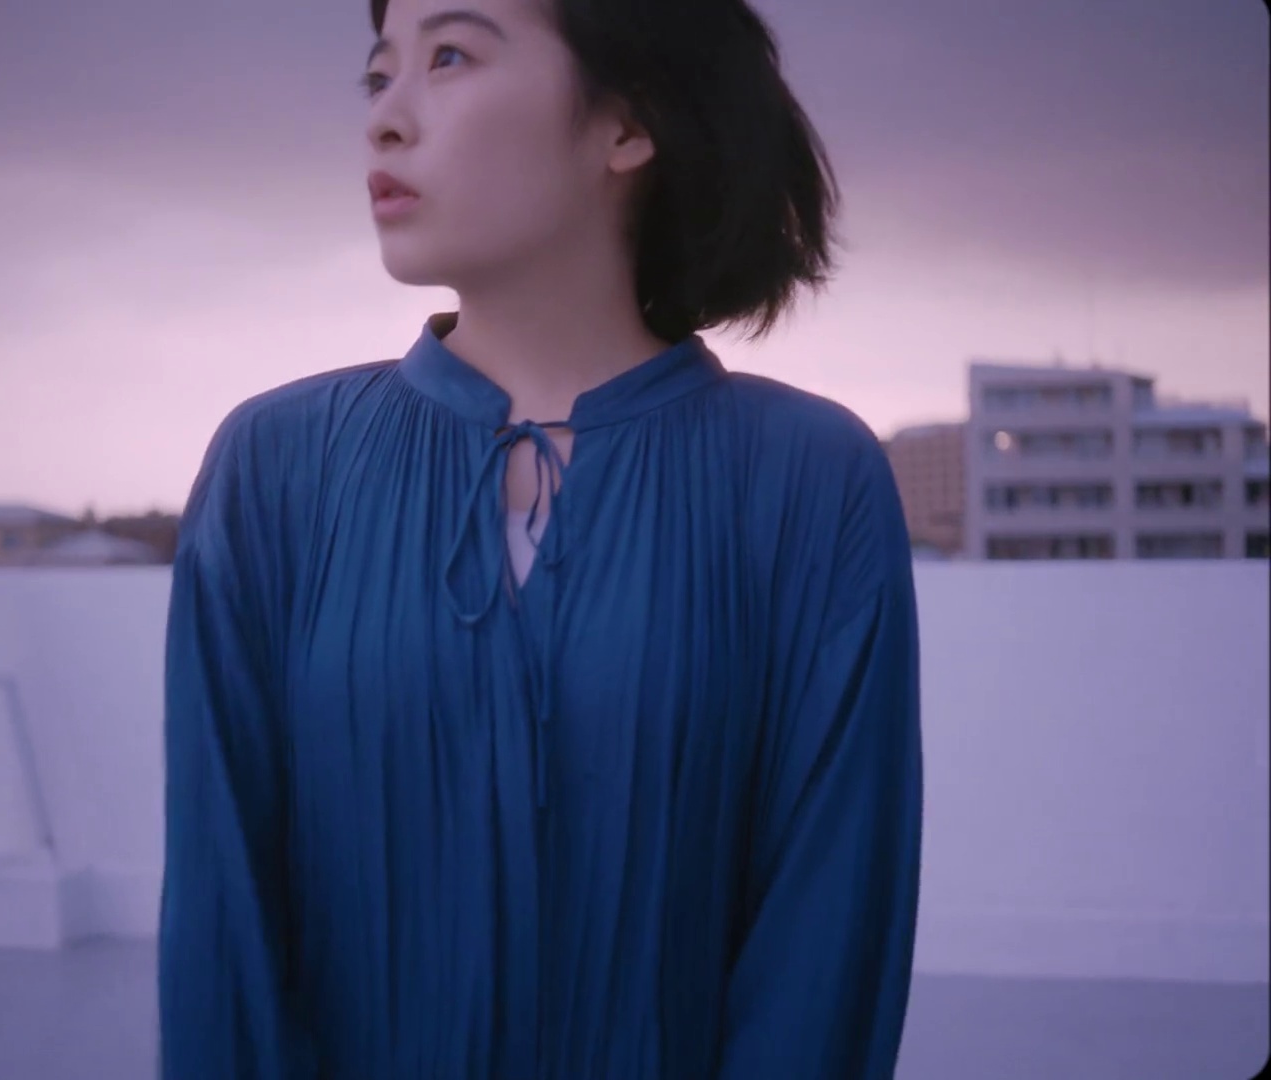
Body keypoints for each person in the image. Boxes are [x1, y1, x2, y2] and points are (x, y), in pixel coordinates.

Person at [157, 0, 923, 1076]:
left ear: (628, 125)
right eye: (379, 74)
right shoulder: (276, 467)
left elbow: (826, 948)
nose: (386, 118)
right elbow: (221, 932)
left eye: (450, 56)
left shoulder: (810, 478)